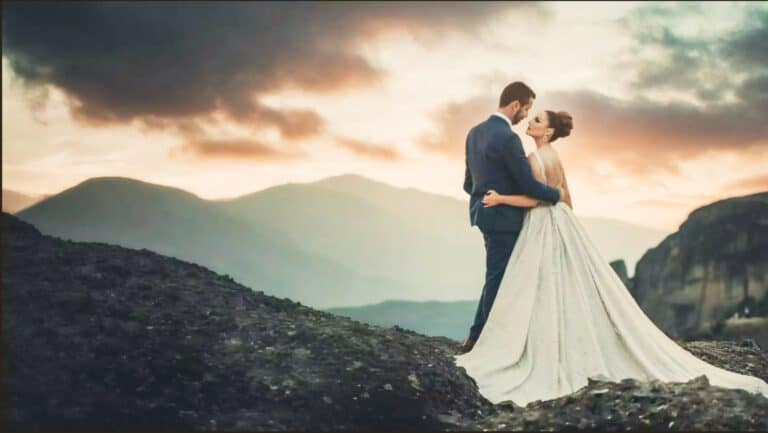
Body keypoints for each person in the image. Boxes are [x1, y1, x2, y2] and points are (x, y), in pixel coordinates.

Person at [453, 109, 768, 405]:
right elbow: (565, 196)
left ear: (547, 131)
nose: (530, 122)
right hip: (561, 220)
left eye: (536, 120)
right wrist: (569, 227)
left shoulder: (536, 158)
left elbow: (537, 199)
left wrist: (501, 198)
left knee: (539, 284)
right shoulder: (555, 156)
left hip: (541, 222)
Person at [459, 81, 563, 355]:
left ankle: (478, 336)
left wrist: (484, 197)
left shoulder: (474, 133)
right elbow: (528, 186)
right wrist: (556, 194)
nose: (526, 115)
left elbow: (468, 184)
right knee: (499, 279)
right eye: (526, 109)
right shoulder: (508, 138)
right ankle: (480, 340)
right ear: (515, 105)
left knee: (495, 275)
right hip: (505, 220)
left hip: (483, 214)